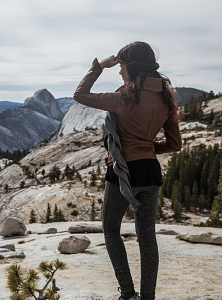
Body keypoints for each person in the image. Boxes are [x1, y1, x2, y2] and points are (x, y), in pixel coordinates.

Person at [73, 41, 181, 300]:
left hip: (123, 173)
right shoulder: (166, 98)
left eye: (121, 66)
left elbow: (80, 94)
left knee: (111, 230)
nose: (119, 72)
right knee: (147, 239)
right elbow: (174, 144)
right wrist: (145, 147)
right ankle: (147, 297)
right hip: (151, 173)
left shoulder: (125, 98)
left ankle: (128, 293)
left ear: (131, 67)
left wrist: (98, 68)